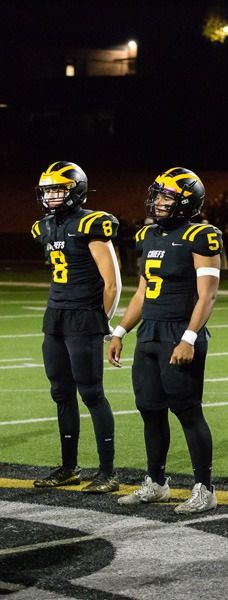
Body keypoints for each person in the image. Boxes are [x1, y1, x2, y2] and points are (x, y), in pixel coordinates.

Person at [108, 167, 221, 513]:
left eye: (167, 196)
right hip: (150, 333)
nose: (158, 202)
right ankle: (156, 483)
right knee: (150, 409)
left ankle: (205, 489)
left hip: (179, 332)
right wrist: (120, 330)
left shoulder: (201, 236)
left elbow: (208, 295)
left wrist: (189, 337)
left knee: (187, 411)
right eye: (157, 195)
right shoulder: (149, 235)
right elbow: (142, 292)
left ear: (186, 201)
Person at [31, 161, 121, 493]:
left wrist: (102, 321)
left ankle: (108, 472)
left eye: (58, 189)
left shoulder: (91, 223)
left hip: (83, 316)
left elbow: (112, 282)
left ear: (76, 190)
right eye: (48, 190)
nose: (51, 196)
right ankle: (69, 468)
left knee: (92, 393)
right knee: (61, 392)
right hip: (55, 315)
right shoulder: (45, 226)